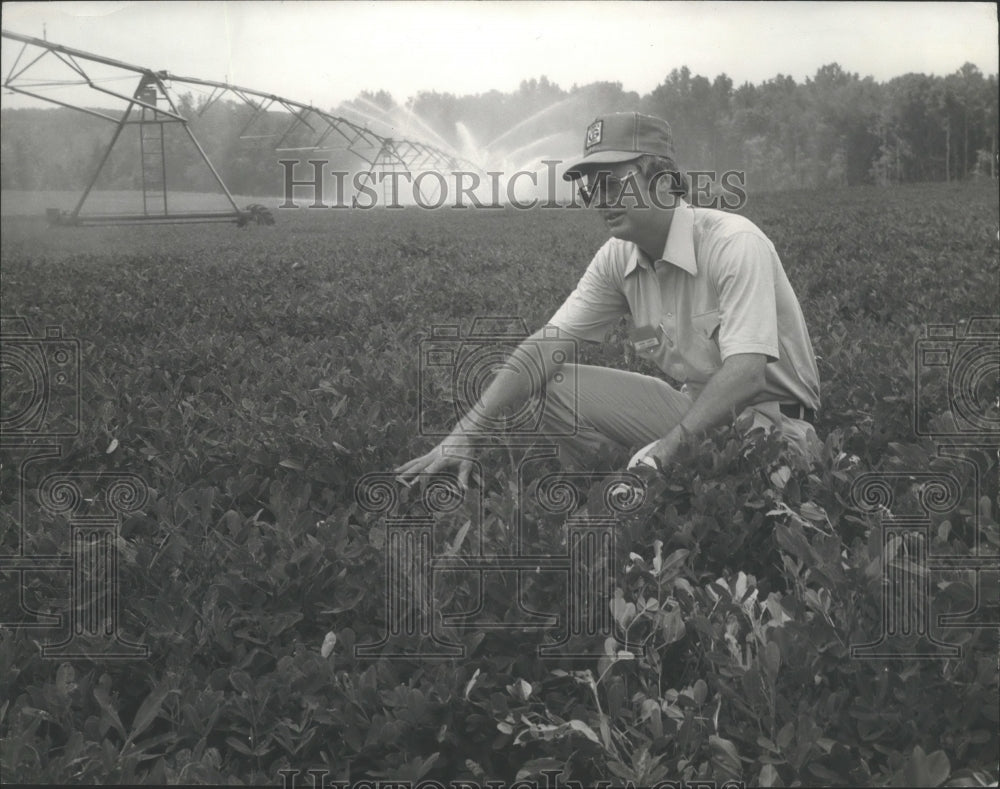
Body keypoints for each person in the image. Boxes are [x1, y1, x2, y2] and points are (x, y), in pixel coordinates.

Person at [396, 112, 821, 488]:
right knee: (554, 383)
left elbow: (746, 374)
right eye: (591, 189)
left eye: (612, 184)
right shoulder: (617, 257)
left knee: (718, 479)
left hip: (769, 423)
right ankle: (625, 483)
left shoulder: (734, 243)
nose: (599, 200)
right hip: (692, 409)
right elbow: (546, 346)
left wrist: (665, 449)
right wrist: (466, 433)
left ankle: (653, 478)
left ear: (662, 181)